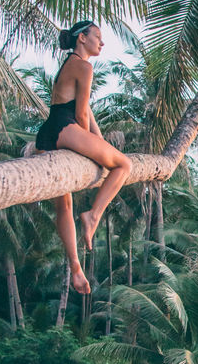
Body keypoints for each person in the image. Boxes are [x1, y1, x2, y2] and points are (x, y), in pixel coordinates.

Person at [35, 20, 131, 294]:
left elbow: (86, 112)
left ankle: (76, 269)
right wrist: (90, 150)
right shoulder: (84, 66)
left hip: (48, 131)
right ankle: (93, 215)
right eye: (97, 37)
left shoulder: (69, 64)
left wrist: (97, 141)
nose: (102, 43)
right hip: (66, 127)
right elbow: (79, 115)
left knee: (64, 206)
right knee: (124, 164)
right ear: (82, 39)